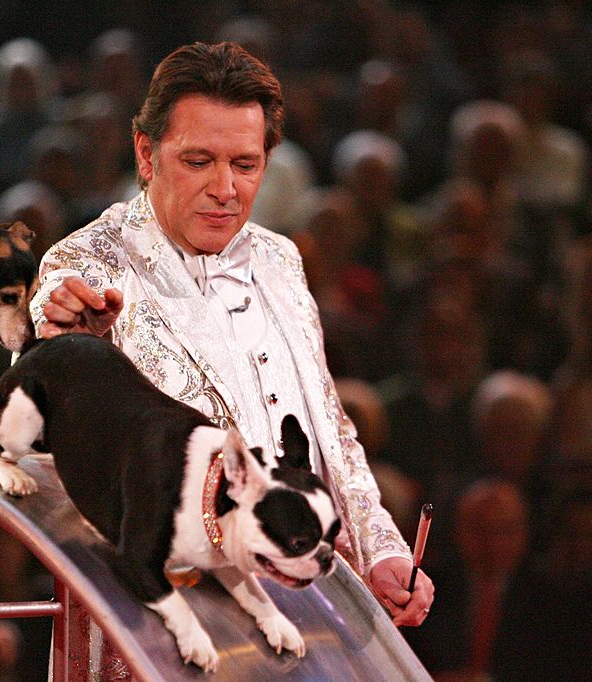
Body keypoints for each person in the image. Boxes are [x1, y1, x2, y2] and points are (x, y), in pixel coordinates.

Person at [30, 41, 434, 627]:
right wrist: (61, 337)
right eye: (199, 162)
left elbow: (330, 426)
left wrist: (380, 550)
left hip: (308, 604)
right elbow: (53, 351)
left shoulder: (280, 258)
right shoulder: (91, 262)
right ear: (146, 154)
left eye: (245, 166)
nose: (226, 189)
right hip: (161, 616)